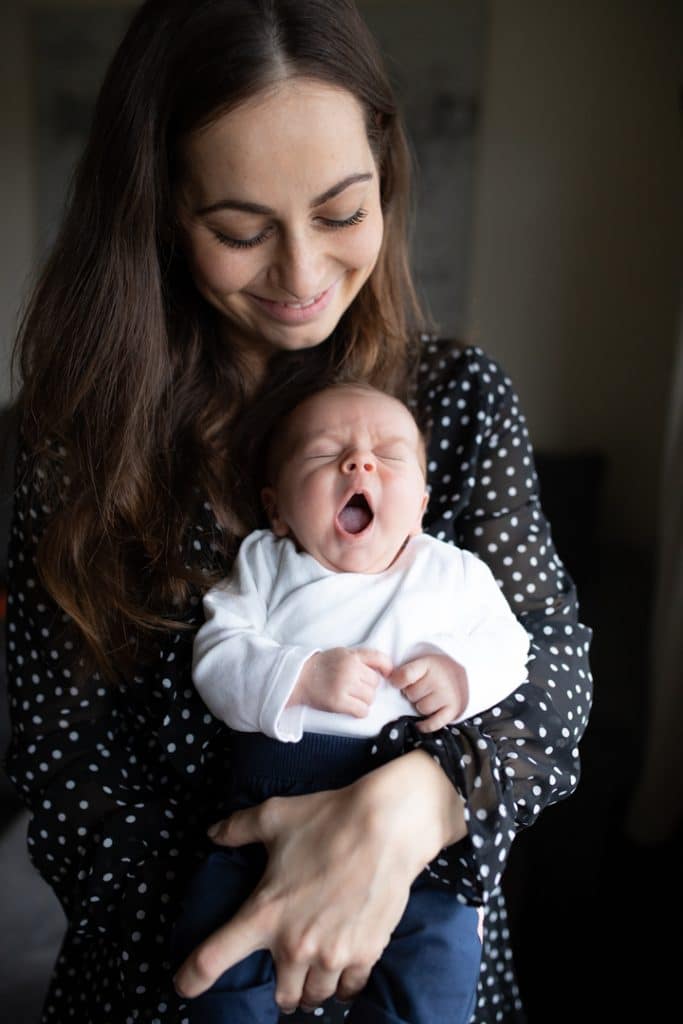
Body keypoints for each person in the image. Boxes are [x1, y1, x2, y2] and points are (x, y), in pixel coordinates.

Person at [4, 1, 593, 1022]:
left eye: (338, 212)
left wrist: (411, 806)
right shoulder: (76, 453)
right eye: (238, 229)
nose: (302, 274)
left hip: (425, 939)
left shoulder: (450, 404)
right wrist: (279, 908)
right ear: (156, 214)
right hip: (171, 980)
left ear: (385, 179)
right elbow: (73, 797)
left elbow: (549, 672)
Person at [171, 382, 532, 1022]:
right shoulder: (266, 563)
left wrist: (459, 676)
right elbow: (218, 656)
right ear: (276, 508)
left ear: (421, 506)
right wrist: (301, 675)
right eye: (324, 454)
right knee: (214, 940)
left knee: (441, 955)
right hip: (268, 798)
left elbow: (513, 648)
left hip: (409, 825)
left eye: (388, 455)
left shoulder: (452, 573)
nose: (359, 463)